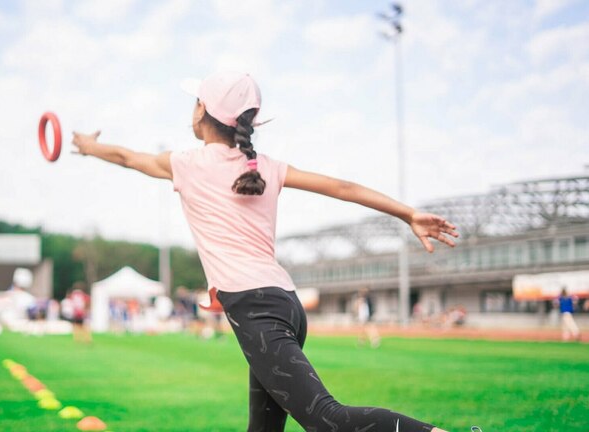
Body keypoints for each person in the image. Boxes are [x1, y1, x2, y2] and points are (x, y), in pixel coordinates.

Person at [72, 71, 460, 432]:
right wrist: (407, 213)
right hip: (284, 304)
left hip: (256, 309)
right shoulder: (265, 167)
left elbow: (126, 158)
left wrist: (90, 147)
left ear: (202, 110)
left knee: (327, 418)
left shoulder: (187, 164)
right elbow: (342, 186)